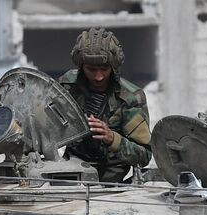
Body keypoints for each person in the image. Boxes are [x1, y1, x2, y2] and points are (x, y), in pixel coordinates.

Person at [58, 28, 152, 183]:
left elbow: (144, 156)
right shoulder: (68, 86)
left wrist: (112, 138)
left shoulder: (130, 98)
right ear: (81, 67)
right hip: (71, 176)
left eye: (104, 69)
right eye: (91, 69)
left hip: (111, 185)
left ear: (113, 68)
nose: (98, 77)